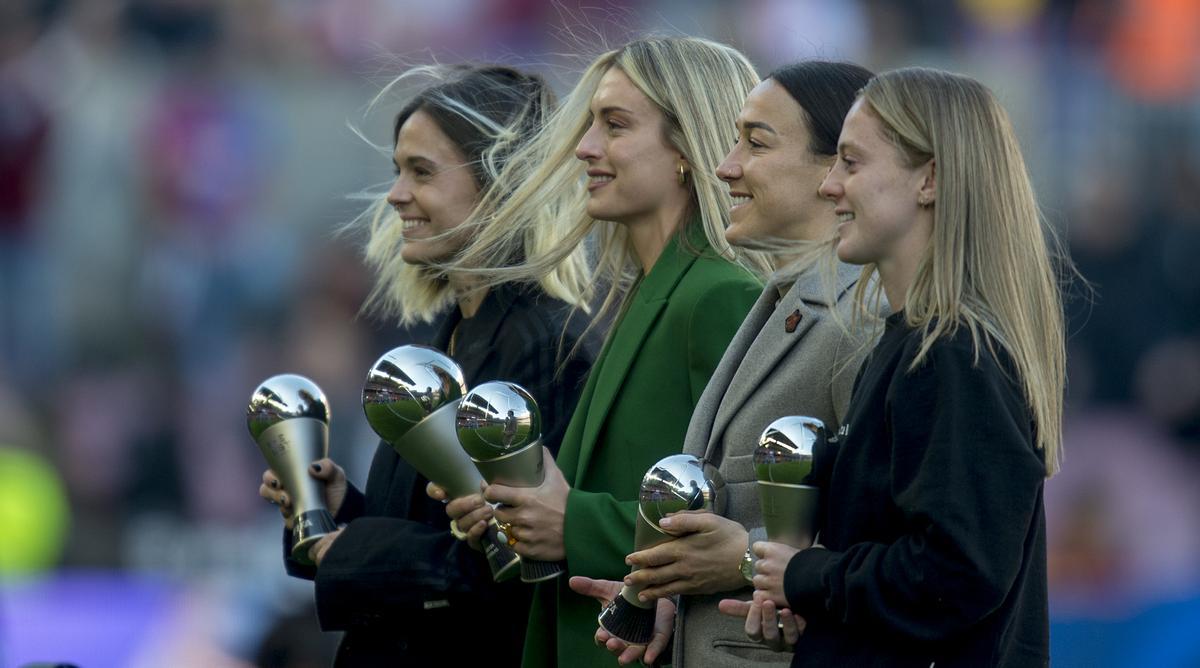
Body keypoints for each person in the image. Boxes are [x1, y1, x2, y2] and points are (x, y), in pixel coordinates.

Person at [434, 37, 768, 668]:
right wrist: (516, 511)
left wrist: (571, 524)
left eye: (614, 125)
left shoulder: (718, 293)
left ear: (686, 148)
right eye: (590, 124)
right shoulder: (656, 288)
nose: (586, 148)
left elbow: (744, 522)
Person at [257, 64, 594, 666]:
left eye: (422, 172)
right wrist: (341, 509)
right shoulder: (455, 336)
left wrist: (350, 549)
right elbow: (443, 533)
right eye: (397, 171)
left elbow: (510, 565)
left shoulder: (542, 343)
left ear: (502, 183)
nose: (395, 194)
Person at [742, 67, 1065, 667]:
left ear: (930, 179)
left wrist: (810, 576)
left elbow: (955, 575)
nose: (830, 185)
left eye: (852, 163)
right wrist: (815, 606)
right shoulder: (912, 341)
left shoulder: (954, 355)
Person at [569, 60, 879, 666]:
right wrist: (673, 592)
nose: (724, 165)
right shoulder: (782, 300)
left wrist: (740, 558)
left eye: (756, 144)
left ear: (836, 166)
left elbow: (886, 540)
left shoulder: (860, 322)